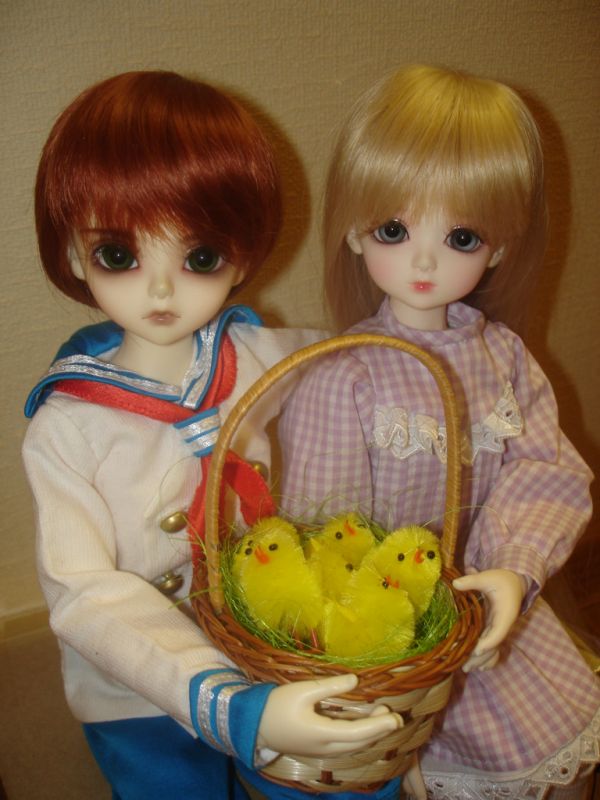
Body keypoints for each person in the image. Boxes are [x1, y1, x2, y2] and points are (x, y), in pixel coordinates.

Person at [22, 71, 404, 800]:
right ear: (73, 256)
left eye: (200, 258)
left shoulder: (249, 355)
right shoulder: (67, 428)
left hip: (264, 635)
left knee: (329, 778)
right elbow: (81, 590)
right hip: (133, 685)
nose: (162, 291)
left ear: (243, 257)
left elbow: (350, 359)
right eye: (118, 255)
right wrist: (222, 701)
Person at [279, 65, 600, 799]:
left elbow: (545, 469)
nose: (423, 260)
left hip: (492, 613)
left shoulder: (502, 356)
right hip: (403, 645)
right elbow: (327, 532)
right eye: (394, 230)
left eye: (461, 236)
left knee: (561, 755)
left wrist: (515, 567)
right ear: (355, 231)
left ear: (500, 248)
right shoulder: (346, 375)